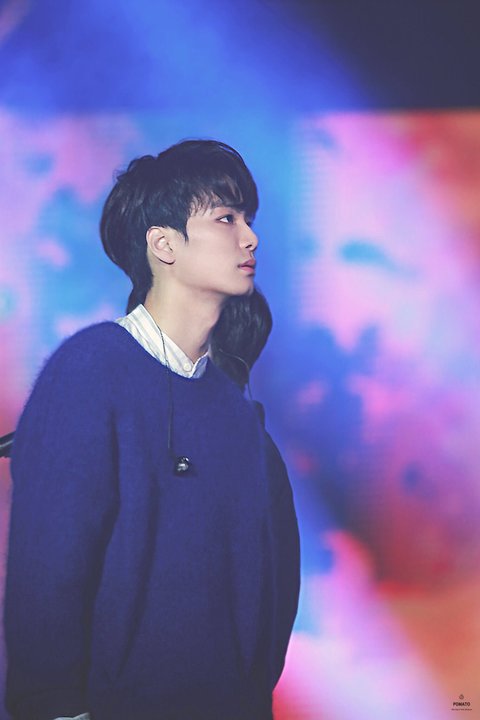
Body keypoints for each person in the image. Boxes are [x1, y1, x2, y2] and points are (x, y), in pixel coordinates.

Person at [4, 139, 300, 720]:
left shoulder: (237, 412)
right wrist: (56, 707)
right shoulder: (91, 371)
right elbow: (48, 570)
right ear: (163, 244)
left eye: (248, 219)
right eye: (226, 218)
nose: (250, 238)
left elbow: (274, 581)